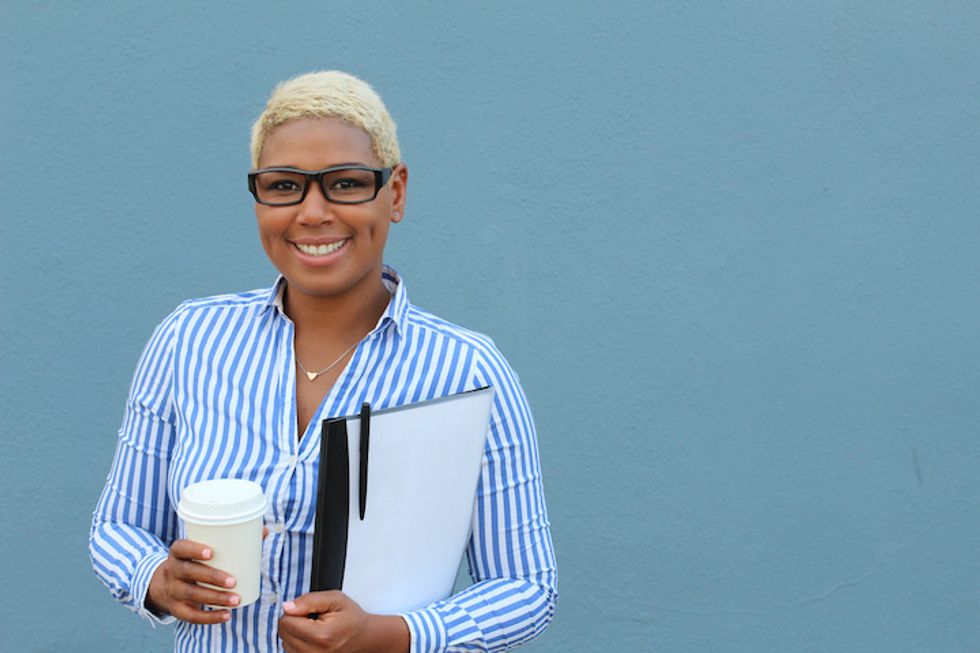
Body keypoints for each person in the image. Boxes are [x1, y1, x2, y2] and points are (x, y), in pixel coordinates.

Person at [88, 70, 557, 653]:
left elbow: (527, 586)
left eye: (346, 183)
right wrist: (157, 579)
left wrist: (393, 635)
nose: (312, 213)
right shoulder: (189, 340)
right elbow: (118, 527)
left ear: (397, 192)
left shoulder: (468, 372)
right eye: (284, 186)